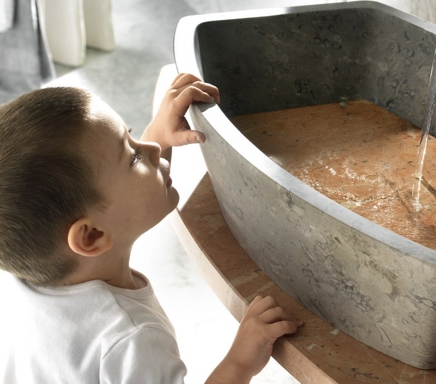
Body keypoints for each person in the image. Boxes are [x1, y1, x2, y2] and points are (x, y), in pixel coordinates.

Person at [0, 73, 301, 383]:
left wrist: (159, 132)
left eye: (132, 135)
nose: (153, 150)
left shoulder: (26, 276)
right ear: (91, 237)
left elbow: (120, 206)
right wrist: (240, 362)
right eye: (133, 157)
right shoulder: (131, 341)